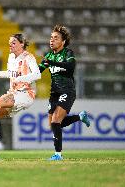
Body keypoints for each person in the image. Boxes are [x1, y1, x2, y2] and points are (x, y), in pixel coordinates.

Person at [38, 24, 91, 161]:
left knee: (56, 121)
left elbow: (70, 67)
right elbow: (38, 72)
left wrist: (52, 63)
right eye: (51, 38)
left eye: (56, 38)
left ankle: (58, 154)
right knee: (54, 125)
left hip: (67, 90)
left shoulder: (67, 53)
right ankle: (80, 117)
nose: (52, 40)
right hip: (54, 93)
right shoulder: (49, 55)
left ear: (63, 42)